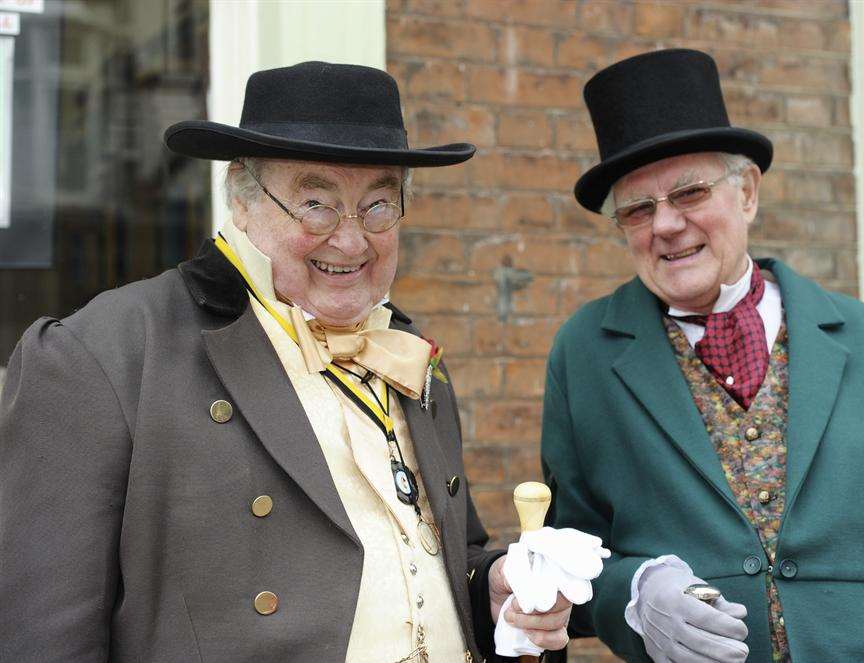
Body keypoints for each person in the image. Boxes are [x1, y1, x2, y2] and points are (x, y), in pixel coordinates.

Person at [0, 61, 571, 662]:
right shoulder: (102, 355)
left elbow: (431, 563)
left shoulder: (405, 349)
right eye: (316, 203)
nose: (352, 241)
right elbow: (41, 640)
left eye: (379, 204)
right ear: (242, 197)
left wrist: (491, 592)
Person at [540, 49, 864, 662]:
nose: (666, 225)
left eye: (690, 192)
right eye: (638, 209)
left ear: (747, 192)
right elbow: (570, 566)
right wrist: (635, 592)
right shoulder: (585, 354)